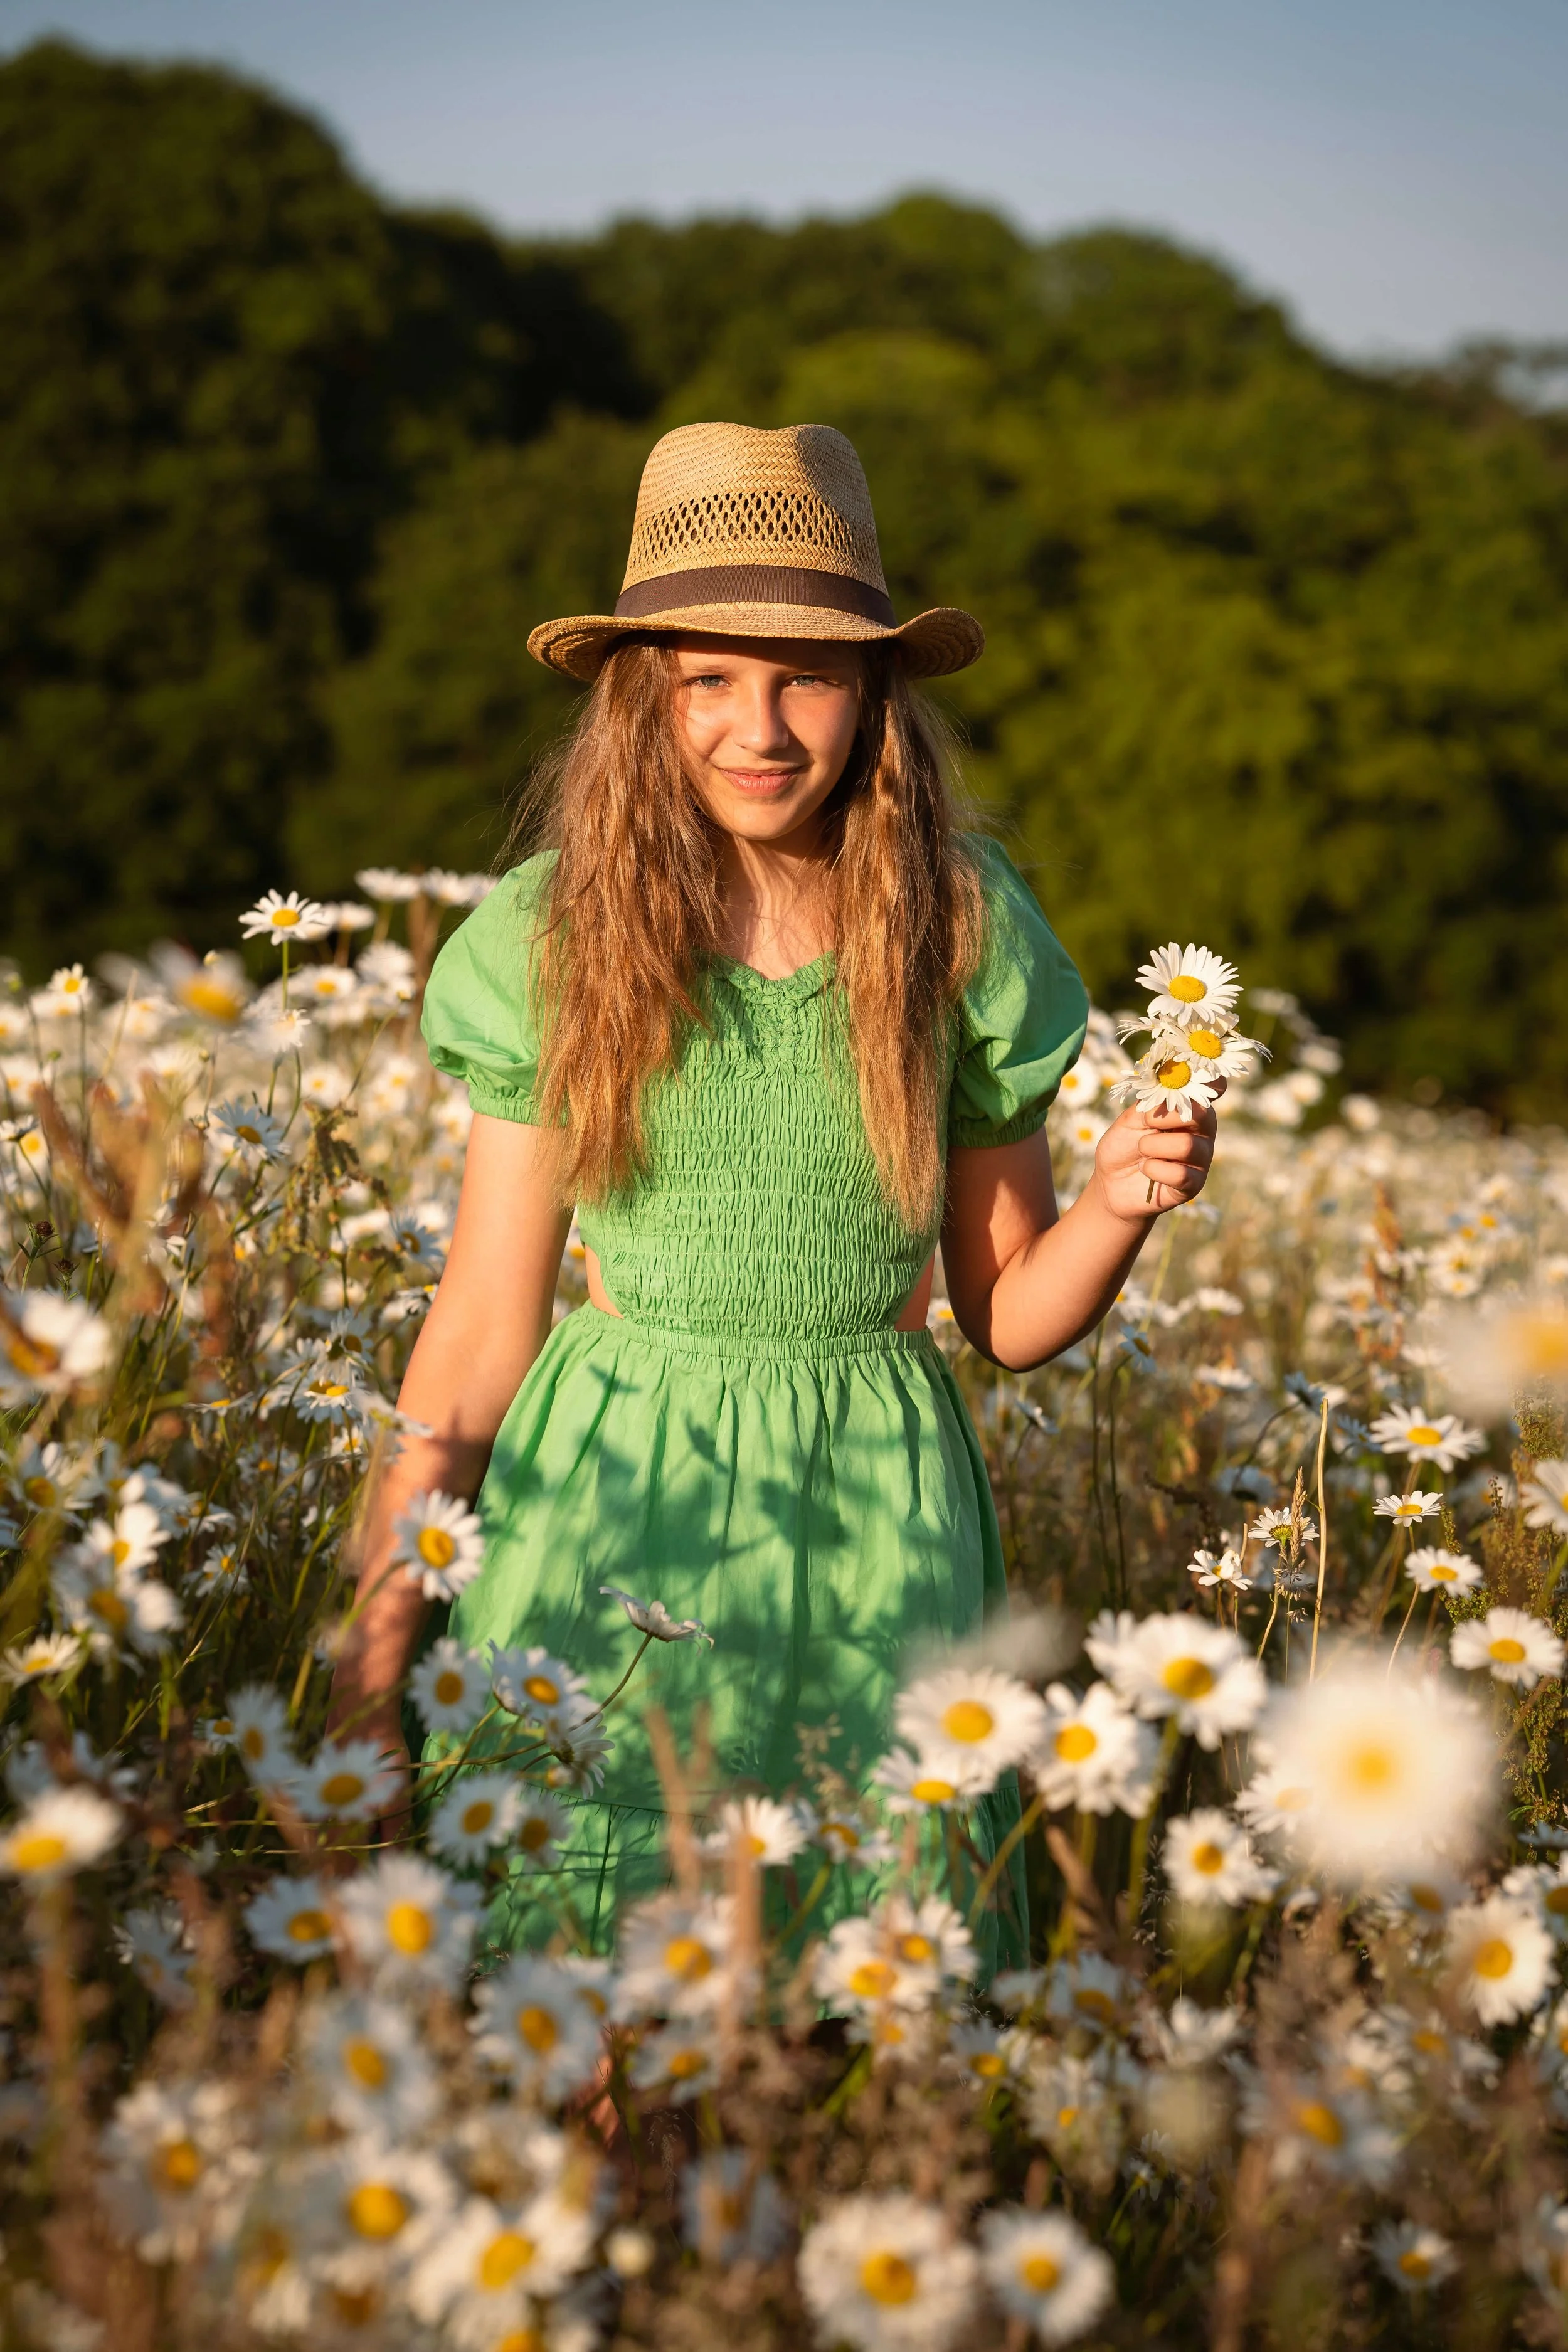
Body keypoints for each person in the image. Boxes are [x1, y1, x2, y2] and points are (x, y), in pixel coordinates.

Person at [327, 421, 1219, 1956]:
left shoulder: (954, 925)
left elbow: (1006, 1312)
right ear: (640, 697)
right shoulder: (558, 937)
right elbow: (479, 1331)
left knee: (839, 2003)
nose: (762, 726)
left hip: (871, 1510)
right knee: (599, 1993)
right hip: (607, 1502)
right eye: (709, 683)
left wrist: (1123, 1203)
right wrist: (373, 1652)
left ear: (875, 691)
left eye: (806, 675)